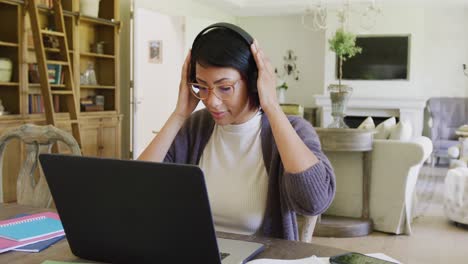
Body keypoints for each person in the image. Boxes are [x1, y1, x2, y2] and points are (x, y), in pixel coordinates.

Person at [138, 23, 335, 241]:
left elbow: (314, 202)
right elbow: (137, 189)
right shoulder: (195, 127)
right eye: (202, 86)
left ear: (253, 82)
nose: (211, 101)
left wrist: (271, 106)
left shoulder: (293, 130)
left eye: (225, 88)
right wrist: (178, 115)